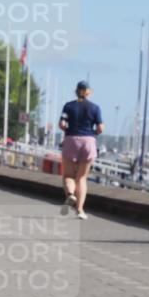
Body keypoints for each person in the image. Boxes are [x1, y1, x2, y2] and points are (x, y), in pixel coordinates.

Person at [59, 80, 103, 219]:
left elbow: (62, 124)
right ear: (88, 92)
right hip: (88, 141)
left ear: (76, 91)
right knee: (82, 178)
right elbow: (100, 128)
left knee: (68, 176)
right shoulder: (95, 108)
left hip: (72, 139)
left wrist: (67, 129)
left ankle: (71, 195)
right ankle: (80, 210)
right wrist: (93, 134)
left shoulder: (68, 106)